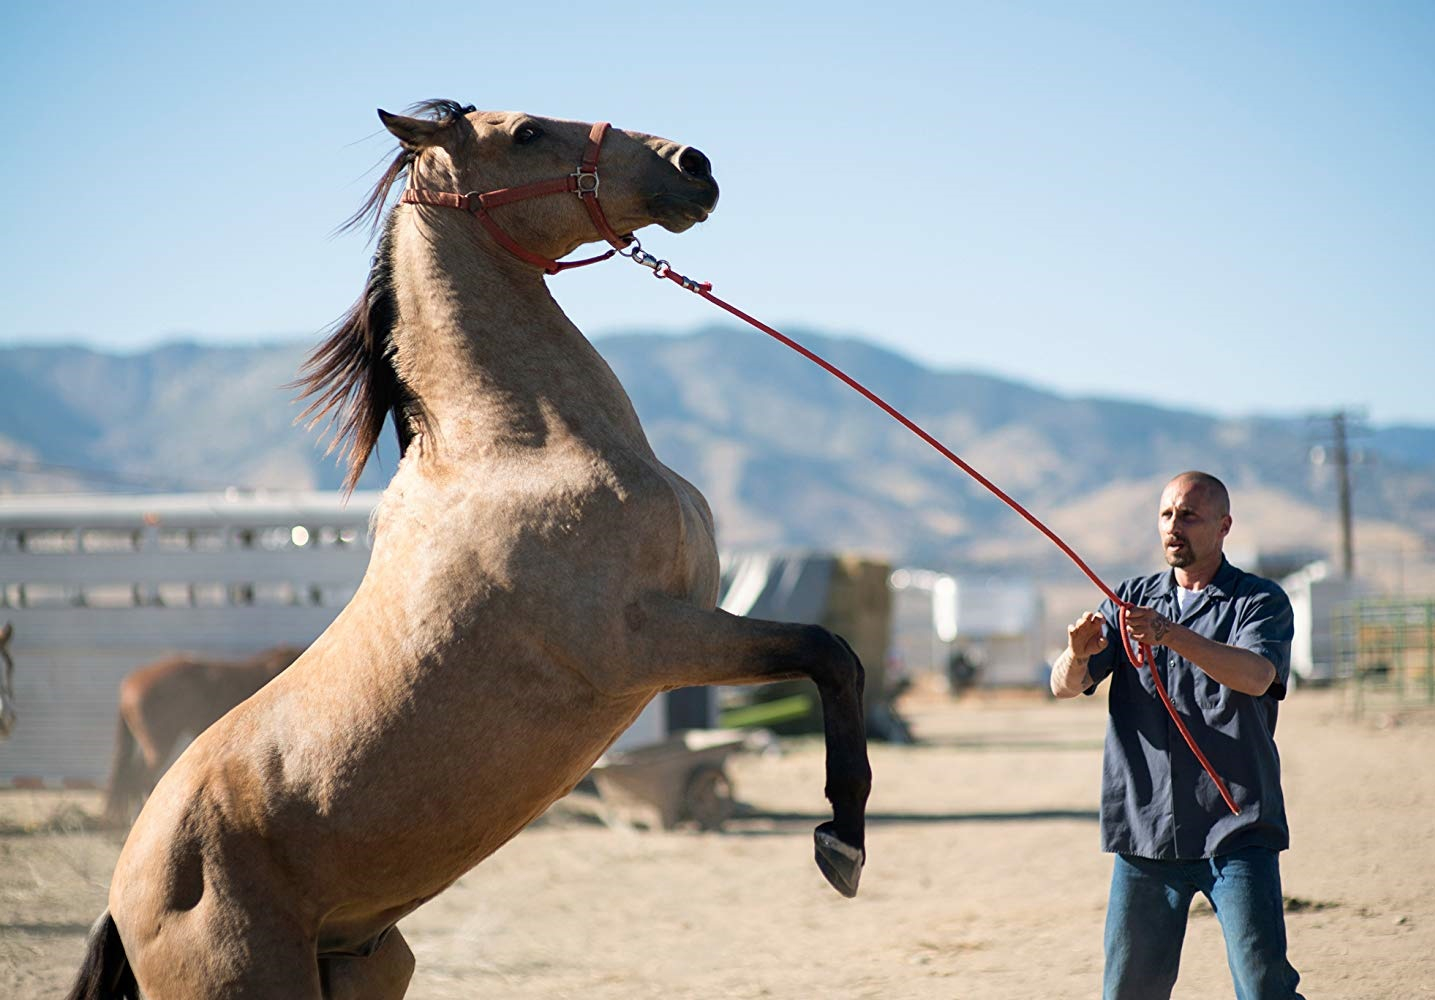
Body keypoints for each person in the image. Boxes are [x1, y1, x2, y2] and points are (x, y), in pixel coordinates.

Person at [1050, 471, 1304, 1000]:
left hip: (1236, 830)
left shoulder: (1260, 601)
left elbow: (1257, 675)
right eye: (1166, 514)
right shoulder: (1128, 601)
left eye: (1188, 515)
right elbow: (1063, 686)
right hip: (1146, 833)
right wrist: (1075, 654)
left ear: (1224, 526)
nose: (1173, 526)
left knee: (1263, 987)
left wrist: (1169, 634)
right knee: (1129, 991)